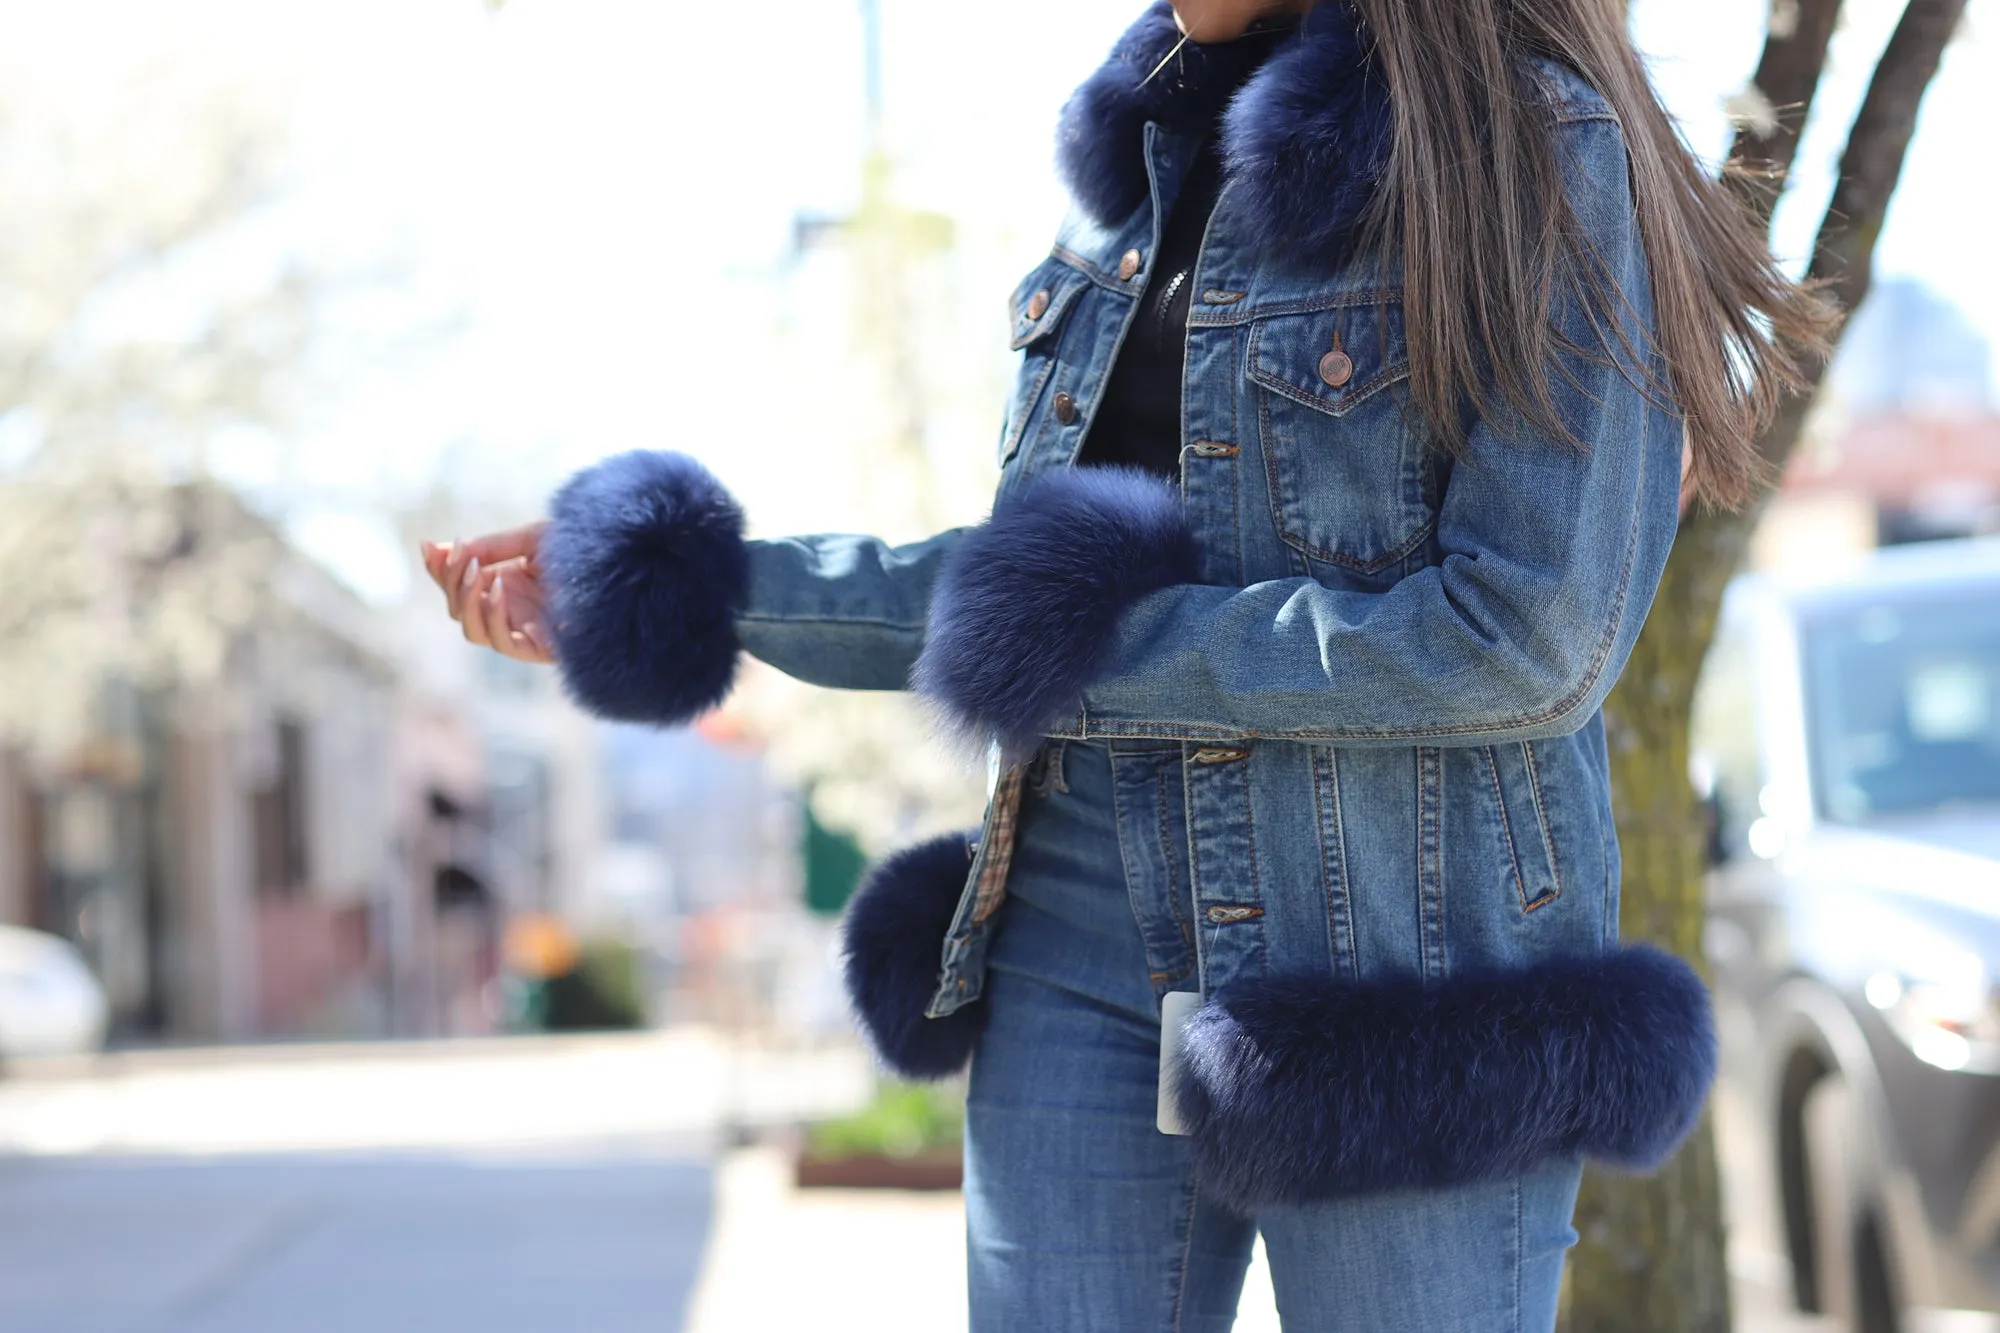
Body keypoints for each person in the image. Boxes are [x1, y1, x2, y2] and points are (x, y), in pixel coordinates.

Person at [424, 0, 1831, 1327]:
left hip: (1400, 966)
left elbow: (1526, 638)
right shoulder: (1127, 197)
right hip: (1075, 918)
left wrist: (1093, 649)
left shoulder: (1531, 147)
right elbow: (1013, 587)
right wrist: (680, 583)